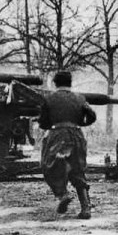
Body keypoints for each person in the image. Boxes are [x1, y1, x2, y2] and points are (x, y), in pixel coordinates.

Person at [38, 70, 97, 219]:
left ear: (55, 83)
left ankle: (63, 194)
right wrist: (81, 123)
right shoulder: (80, 98)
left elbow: (43, 122)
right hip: (77, 135)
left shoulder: (49, 99)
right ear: (70, 83)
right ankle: (86, 208)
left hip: (58, 136)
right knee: (78, 169)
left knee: (49, 165)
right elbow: (92, 116)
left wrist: (52, 125)